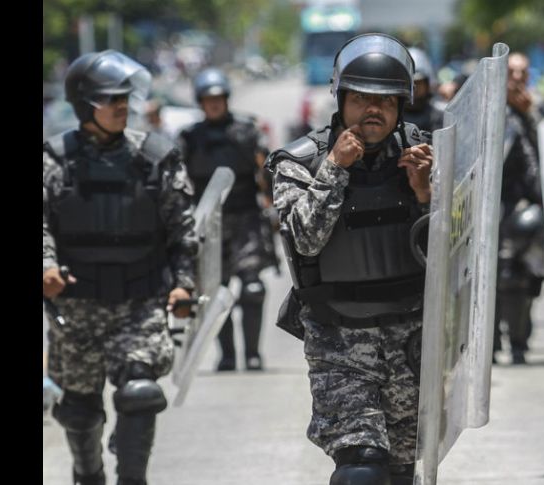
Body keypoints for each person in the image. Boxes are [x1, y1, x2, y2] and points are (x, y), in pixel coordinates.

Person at [265, 33, 433, 485]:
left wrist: (425, 194)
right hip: (339, 340)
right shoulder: (298, 162)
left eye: (385, 101)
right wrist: (334, 170)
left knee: (400, 472)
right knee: (360, 467)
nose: (373, 110)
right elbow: (304, 239)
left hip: (411, 340)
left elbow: (459, 252)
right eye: (360, 98)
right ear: (340, 99)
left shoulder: (428, 157)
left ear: (401, 107)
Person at [43, 50, 198, 485]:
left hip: (139, 301)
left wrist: (184, 285)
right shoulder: (54, 161)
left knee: (140, 393)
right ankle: (87, 472)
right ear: (83, 105)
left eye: (125, 98)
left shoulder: (154, 157)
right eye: (110, 99)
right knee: (79, 409)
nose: (121, 107)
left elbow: (182, 231)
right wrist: (46, 265)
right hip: (75, 308)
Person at [178, 67, 274, 371]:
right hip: (209, 220)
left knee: (252, 289)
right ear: (201, 102)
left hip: (245, 216)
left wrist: (272, 205)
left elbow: (266, 170)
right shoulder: (190, 138)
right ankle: (227, 355)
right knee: (214, 292)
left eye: (219, 98)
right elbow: (178, 181)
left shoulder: (247, 130)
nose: (214, 103)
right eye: (208, 99)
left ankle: (254, 354)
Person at [492, 52, 544, 365]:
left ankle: (519, 341)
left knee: (521, 280)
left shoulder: (536, 112)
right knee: (493, 276)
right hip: (491, 207)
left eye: (522, 73)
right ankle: (492, 342)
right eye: (511, 72)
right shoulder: (488, 110)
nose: (517, 78)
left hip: (522, 208)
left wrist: (529, 118)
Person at [403, 47, 444, 133]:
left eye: (418, 83)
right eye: (409, 84)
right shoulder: (392, 117)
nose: (414, 88)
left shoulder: (439, 117)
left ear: (427, 85)